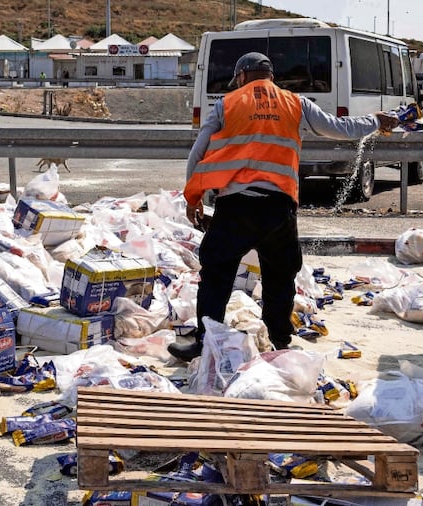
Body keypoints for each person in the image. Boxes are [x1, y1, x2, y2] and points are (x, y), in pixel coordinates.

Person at [167, 52, 401, 362]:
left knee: (217, 274)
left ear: (240, 77)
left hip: (236, 206)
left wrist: (193, 199)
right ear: (271, 77)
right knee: (279, 277)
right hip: (279, 208)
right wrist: (376, 120)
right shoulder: (296, 103)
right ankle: (279, 343)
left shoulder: (227, 104)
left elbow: (198, 153)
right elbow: (339, 128)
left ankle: (205, 340)